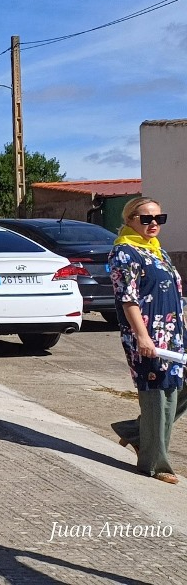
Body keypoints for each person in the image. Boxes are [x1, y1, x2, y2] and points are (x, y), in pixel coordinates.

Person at [109, 197, 186, 484]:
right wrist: (141, 336)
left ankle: (137, 431)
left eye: (158, 218)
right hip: (147, 335)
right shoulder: (125, 252)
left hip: (174, 334)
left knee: (178, 388)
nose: (153, 224)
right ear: (129, 220)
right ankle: (154, 463)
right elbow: (127, 299)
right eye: (145, 219)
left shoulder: (159, 252)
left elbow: (174, 295)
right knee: (158, 395)